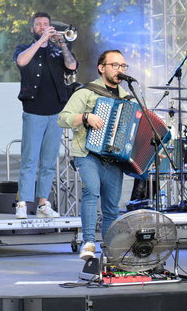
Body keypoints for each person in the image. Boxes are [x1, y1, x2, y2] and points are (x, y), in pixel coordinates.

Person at [58, 50, 130, 260]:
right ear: (102, 68)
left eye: (123, 66)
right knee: (91, 190)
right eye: (115, 65)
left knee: (111, 206)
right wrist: (86, 116)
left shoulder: (127, 97)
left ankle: (109, 249)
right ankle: (88, 242)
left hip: (114, 158)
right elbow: (63, 118)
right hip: (87, 153)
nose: (120, 70)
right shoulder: (85, 92)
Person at [13, 12, 77, 219]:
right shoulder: (24, 48)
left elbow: (72, 66)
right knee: (30, 159)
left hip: (55, 112)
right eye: (38, 25)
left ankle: (42, 203)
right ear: (32, 29)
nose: (43, 27)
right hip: (33, 111)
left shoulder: (57, 51)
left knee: (49, 161)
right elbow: (22, 62)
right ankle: (22, 202)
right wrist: (41, 41)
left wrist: (63, 45)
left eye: (46, 24)